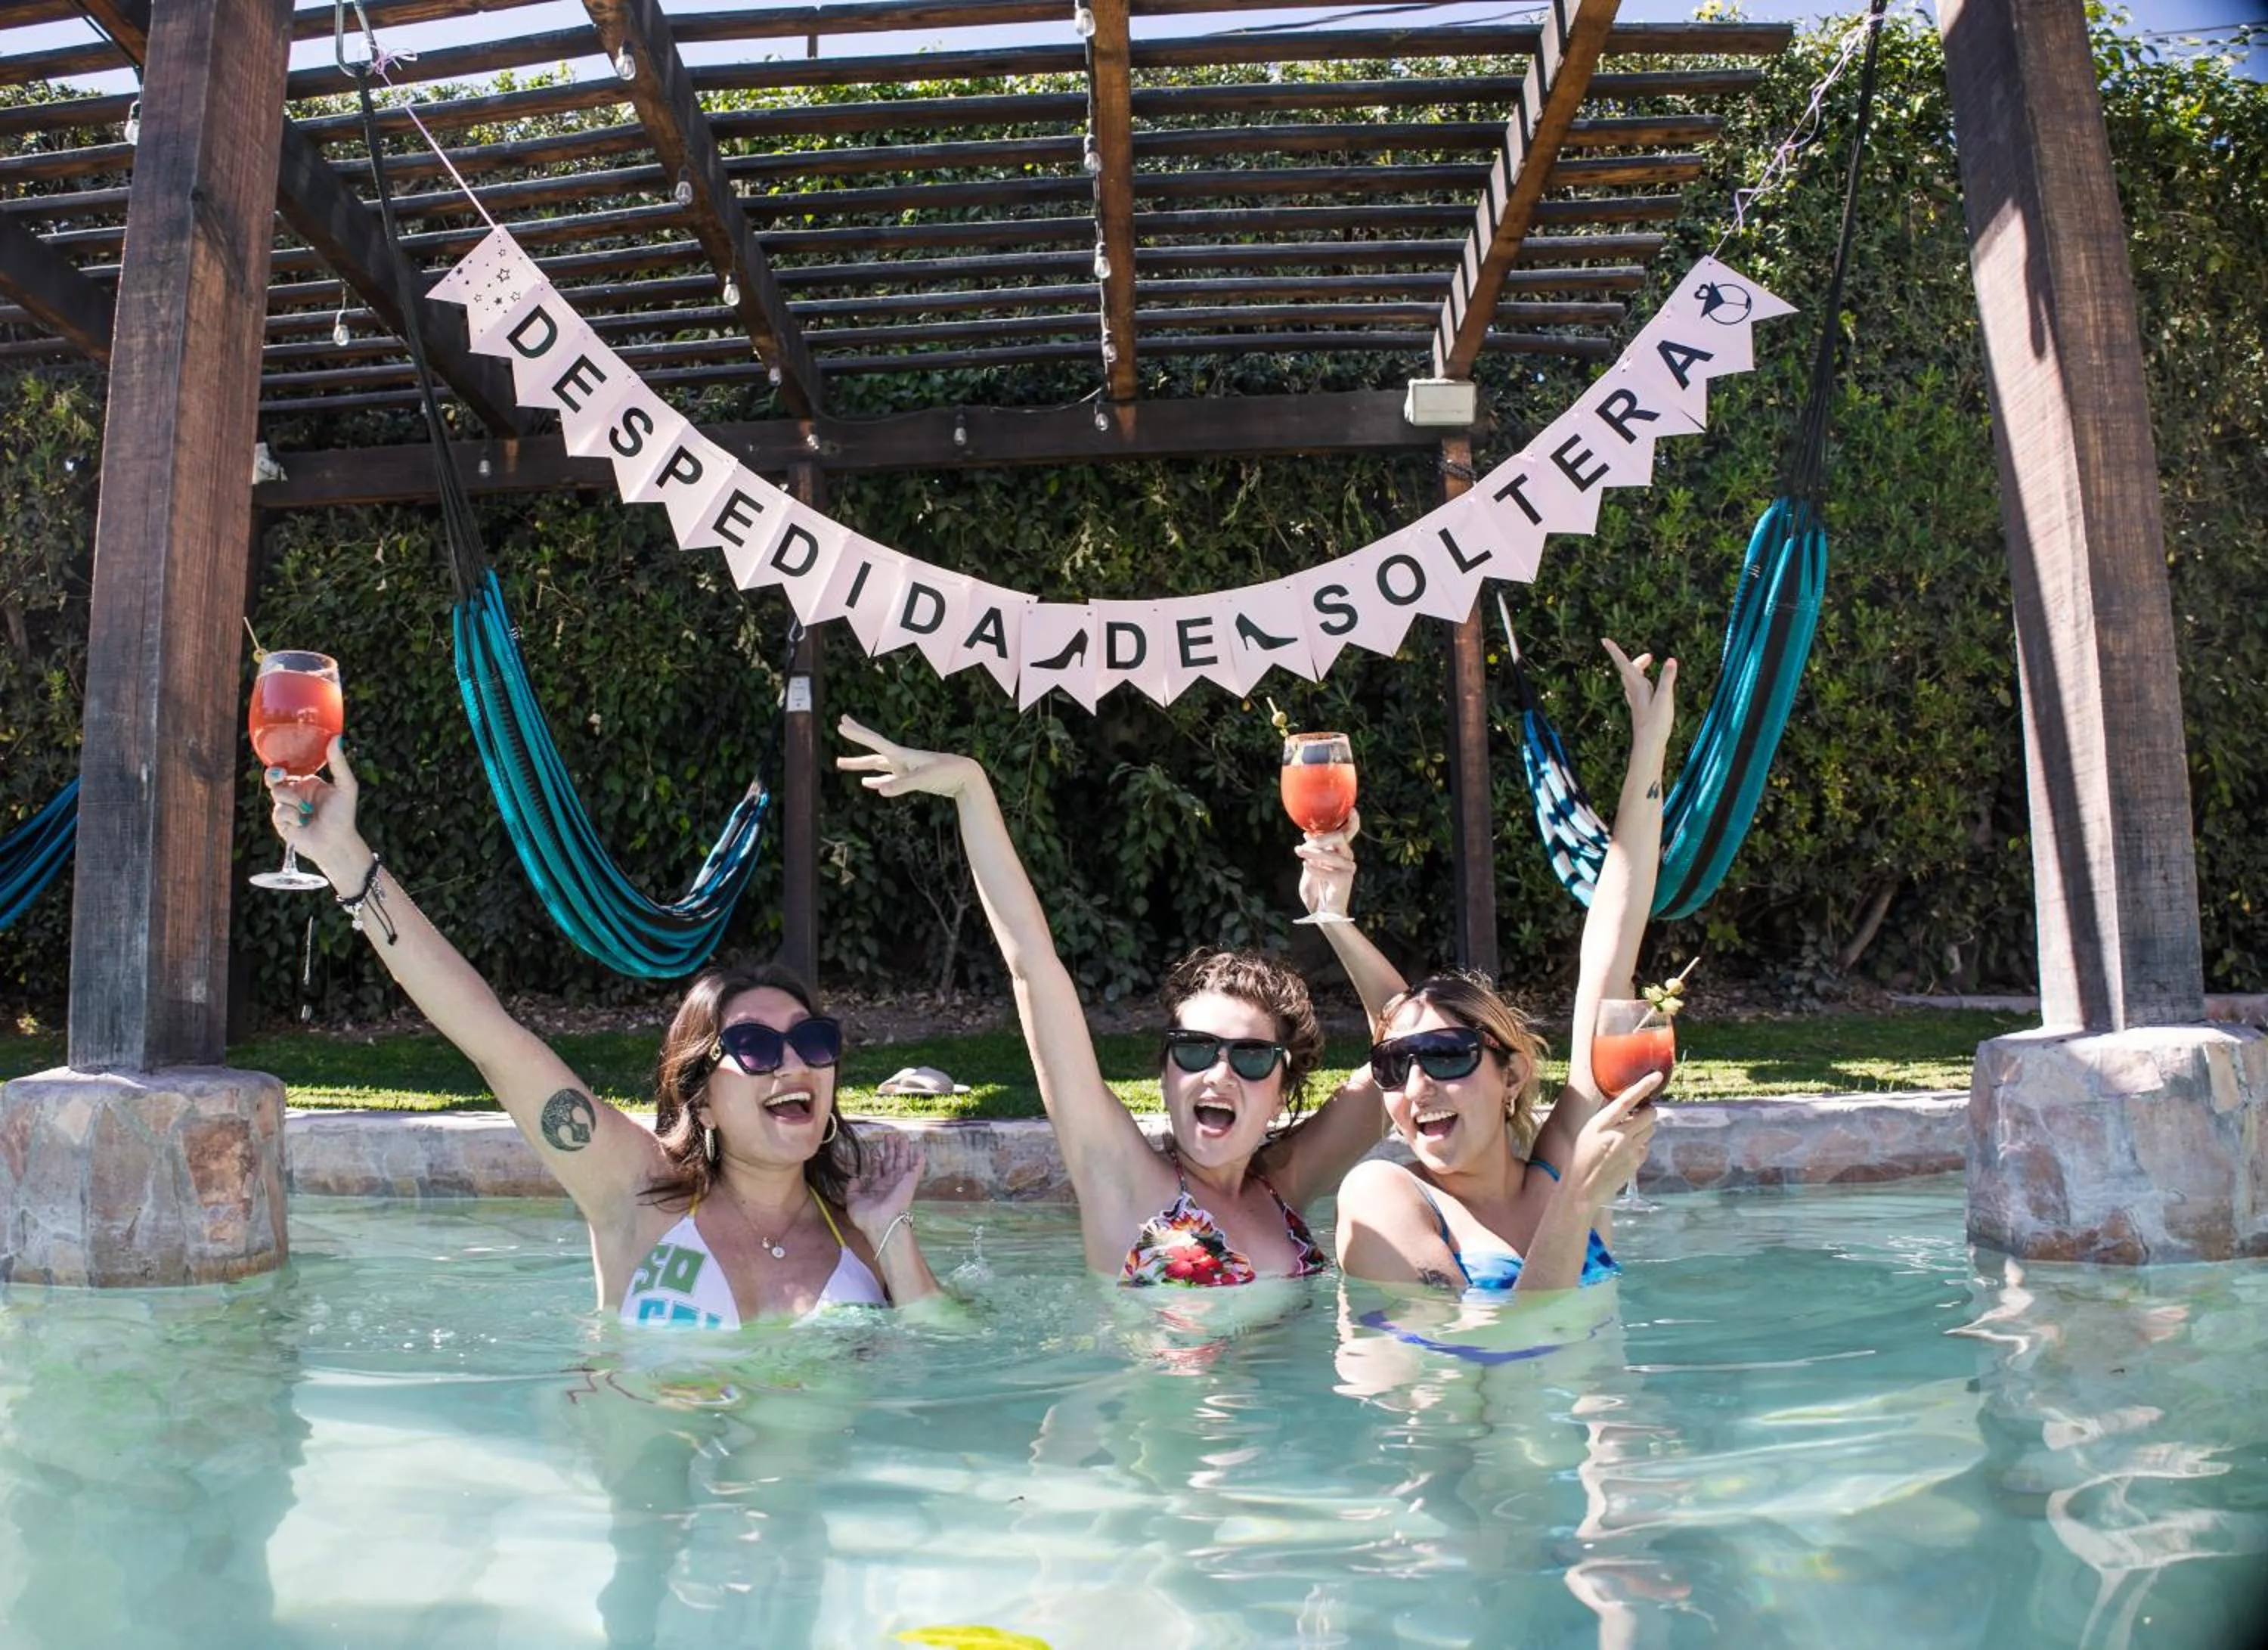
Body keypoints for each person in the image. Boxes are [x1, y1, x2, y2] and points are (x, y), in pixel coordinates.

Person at [262, 738, 940, 1324]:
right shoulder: (637, 1192)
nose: (792, 1063)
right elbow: (489, 1035)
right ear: (701, 1096)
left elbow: (950, 1361)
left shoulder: (862, 1236)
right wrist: (346, 859)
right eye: (757, 1047)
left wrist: (893, 1236)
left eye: (813, 1041)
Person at [837, 717, 1388, 1287]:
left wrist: (1335, 919)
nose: (1219, 1074)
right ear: (1166, 1074)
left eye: (1250, 1057)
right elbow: (1033, 966)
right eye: (1196, 1051)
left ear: (1281, 1093)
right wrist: (970, 791)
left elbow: (1409, 1049)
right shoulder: (1121, 1176)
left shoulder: (1286, 1183)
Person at [1311, 641, 1677, 1296]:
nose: (1418, 1084)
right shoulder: (1387, 1197)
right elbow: (1494, 1349)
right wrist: (1577, 1204)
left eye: (1447, 1056)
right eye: (1395, 1067)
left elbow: (1610, 947)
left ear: (1511, 1074)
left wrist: (1650, 746)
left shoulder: (1561, 1163)